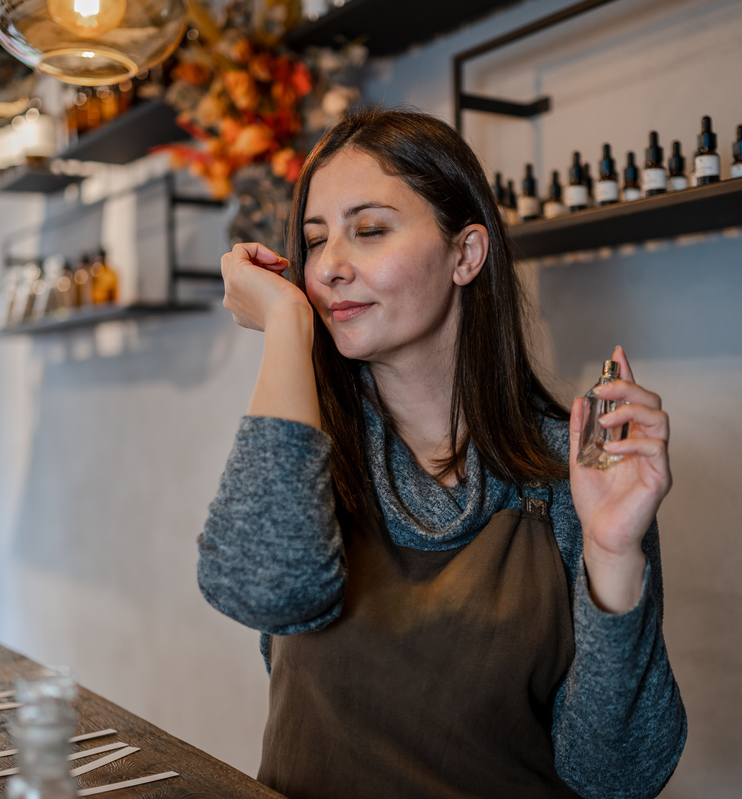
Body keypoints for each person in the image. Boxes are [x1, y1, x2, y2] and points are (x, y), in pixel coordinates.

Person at [198, 108, 686, 799]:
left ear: (466, 255)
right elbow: (264, 590)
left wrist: (613, 552)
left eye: (369, 230)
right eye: (314, 241)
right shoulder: (304, 446)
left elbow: (615, 777)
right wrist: (286, 323)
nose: (330, 266)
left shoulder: (576, 472)